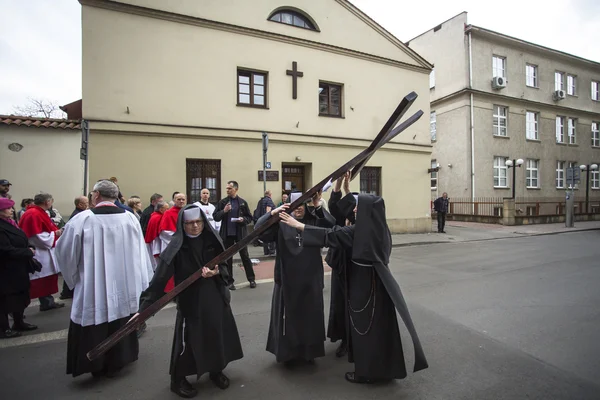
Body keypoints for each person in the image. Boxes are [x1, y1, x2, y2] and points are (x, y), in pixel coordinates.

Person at [279, 194, 428, 384]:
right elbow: (339, 226)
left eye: (358, 207)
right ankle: (382, 369)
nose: (355, 210)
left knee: (364, 331)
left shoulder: (359, 231)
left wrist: (298, 225)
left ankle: (366, 373)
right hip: (378, 284)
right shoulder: (379, 227)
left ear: (367, 211)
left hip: (365, 286)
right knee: (379, 331)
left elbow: (330, 234)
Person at [137, 204, 243, 398]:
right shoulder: (176, 247)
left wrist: (217, 272)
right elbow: (159, 280)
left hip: (215, 297)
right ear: (182, 224)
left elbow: (225, 268)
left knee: (216, 334)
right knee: (189, 340)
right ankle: (177, 379)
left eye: (198, 222)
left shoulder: (213, 240)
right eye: (190, 223)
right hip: (191, 301)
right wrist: (143, 309)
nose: (195, 226)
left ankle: (216, 370)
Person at [55, 180, 153, 378]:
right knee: (123, 317)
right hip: (125, 284)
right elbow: (141, 252)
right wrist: (142, 281)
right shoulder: (130, 218)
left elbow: (65, 253)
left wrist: (73, 279)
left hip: (94, 284)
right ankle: (120, 360)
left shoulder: (82, 219)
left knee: (95, 321)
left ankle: (96, 365)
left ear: (97, 195)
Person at [255, 190, 335, 365]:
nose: (298, 209)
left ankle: (309, 353)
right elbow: (258, 231)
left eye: (301, 205)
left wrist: (318, 205)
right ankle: (288, 355)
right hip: (286, 278)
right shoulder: (281, 222)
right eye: (294, 205)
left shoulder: (314, 219)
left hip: (311, 279)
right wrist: (271, 213)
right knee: (288, 319)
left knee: (310, 318)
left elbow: (331, 228)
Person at [325, 173, 356, 358]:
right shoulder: (340, 219)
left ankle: (354, 339)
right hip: (339, 266)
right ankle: (344, 339)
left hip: (355, 268)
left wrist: (347, 190)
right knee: (340, 304)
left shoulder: (360, 223)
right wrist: (338, 185)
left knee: (354, 305)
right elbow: (334, 207)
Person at [19, 193, 65, 311]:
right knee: (39, 280)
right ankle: (18, 310)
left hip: (43, 250)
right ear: (47, 202)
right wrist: (55, 234)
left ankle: (48, 302)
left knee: (46, 279)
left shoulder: (37, 212)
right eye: (51, 201)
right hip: (40, 251)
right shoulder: (34, 213)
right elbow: (36, 236)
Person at [0, 197, 38, 339]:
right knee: (5, 300)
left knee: (20, 296)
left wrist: (29, 247)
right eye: (8, 208)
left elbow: (21, 239)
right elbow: (5, 250)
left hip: (18, 268)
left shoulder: (10, 223)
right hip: (6, 269)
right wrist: (27, 251)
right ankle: (4, 328)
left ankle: (18, 321)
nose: (11, 210)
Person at [213, 181, 256, 290]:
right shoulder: (223, 202)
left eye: (230, 188)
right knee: (228, 258)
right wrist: (224, 211)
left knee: (245, 256)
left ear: (236, 189)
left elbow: (249, 217)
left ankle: (251, 279)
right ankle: (229, 282)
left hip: (240, 234)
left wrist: (243, 220)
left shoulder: (242, 202)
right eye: (227, 188)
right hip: (227, 234)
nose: (227, 190)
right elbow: (216, 217)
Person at [159, 192, 187, 292]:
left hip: (187, 246)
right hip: (174, 246)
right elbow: (164, 232)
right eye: (179, 199)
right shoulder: (168, 213)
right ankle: (173, 291)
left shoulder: (188, 211)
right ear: (174, 200)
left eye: (183, 199)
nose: (181, 201)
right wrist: (179, 239)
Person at [145, 200, 168, 271]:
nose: (168, 210)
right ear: (161, 210)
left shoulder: (154, 215)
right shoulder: (159, 217)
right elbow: (160, 233)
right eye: (166, 209)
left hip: (153, 241)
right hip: (156, 242)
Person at [256, 190, 276, 256]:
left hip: (261, 221)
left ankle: (266, 252)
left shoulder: (260, 201)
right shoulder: (269, 200)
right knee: (271, 235)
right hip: (268, 221)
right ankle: (272, 251)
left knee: (264, 236)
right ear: (270, 194)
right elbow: (268, 211)